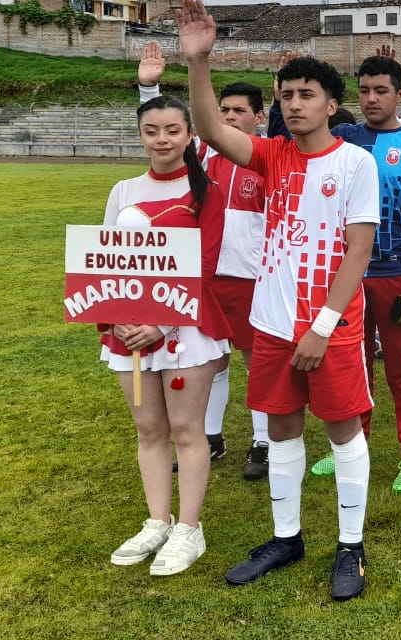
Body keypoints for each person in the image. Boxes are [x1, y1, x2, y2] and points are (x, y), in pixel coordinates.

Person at [177, 0, 379, 602]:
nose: (294, 104)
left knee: (343, 432)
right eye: (287, 95)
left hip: (329, 326)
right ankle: (287, 538)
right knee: (283, 428)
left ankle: (350, 545)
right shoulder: (271, 154)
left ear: (331, 104)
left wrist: (322, 326)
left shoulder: (356, 163)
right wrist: (199, 61)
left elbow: (358, 253)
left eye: (306, 95)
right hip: (272, 322)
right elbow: (211, 130)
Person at [102, 94, 228, 577]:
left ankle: (189, 528)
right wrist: (116, 317)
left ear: (190, 135)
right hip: (129, 331)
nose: (162, 139)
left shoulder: (206, 191)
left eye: (173, 130)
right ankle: (157, 520)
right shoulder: (124, 190)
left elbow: (205, 265)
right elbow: (107, 260)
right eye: (151, 131)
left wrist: (161, 323)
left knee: (186, 431)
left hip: (185, 331)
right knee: (149, 430)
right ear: (140, 135)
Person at [303, 54, 401, 494]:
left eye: (381, 91)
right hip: (346, 274)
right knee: (349, 365)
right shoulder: (343, 138)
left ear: (400, 95)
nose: (371, 99)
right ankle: (350, 444)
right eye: (364, 91)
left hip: (398, 272)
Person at [137, 41, 272, 481]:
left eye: (239, 111)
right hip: (202, 277)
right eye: (223, 110)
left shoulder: (267, 157)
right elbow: (163, 134)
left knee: (256, 360)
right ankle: (211, 436)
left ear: (259, 117)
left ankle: (263, 440)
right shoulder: (201, 154)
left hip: (250, 277)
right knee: (209, 360)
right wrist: (148, 89)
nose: (229, 117)